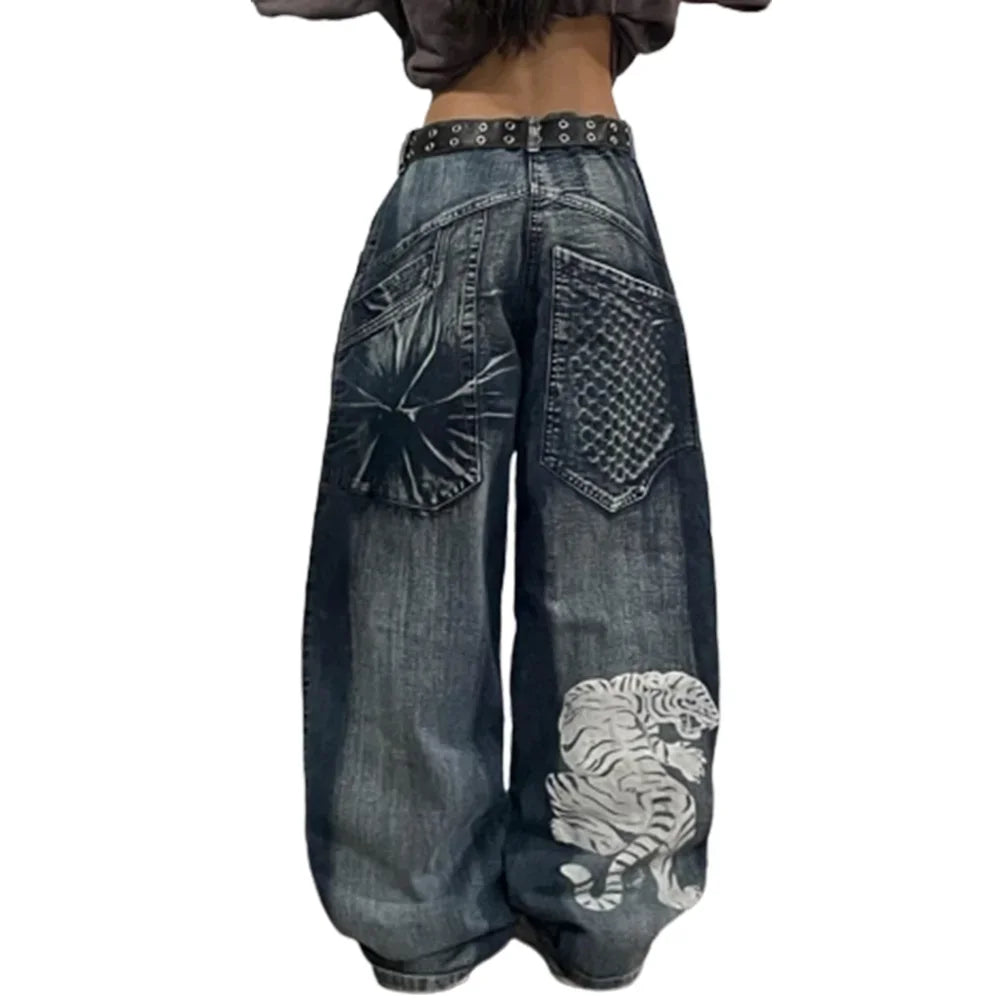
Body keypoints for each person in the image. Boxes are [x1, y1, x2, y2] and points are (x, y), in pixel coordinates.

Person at [252, 1, 771, 992]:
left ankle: (411, 916)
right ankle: (608, 908)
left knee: (405, 576)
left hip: (442, 186)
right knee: (619, 554)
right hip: (598, 190)